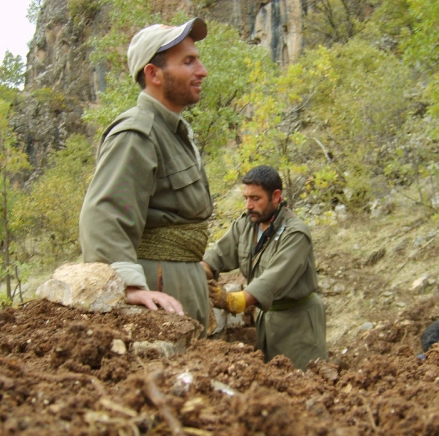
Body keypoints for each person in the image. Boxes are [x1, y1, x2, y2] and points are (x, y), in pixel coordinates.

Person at [79, 18, 213, 335]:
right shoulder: (137, 132)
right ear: (153, 74)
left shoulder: (173, 131)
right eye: (188, 61)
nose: (202, 70)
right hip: (159, 287)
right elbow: (102, 216)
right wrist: (129, 286)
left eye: (198, 59)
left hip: (180, 283)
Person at [201, 165, 328, 370]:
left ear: (276, 196)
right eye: (246, 198)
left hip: (298, 325)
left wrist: (233, 300)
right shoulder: (246, 225)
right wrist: (203, 270)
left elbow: (273, 279)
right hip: (267, 322)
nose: (248, 205)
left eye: (255, 198)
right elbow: (217, 254)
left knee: (304, 383)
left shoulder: (295, 234)